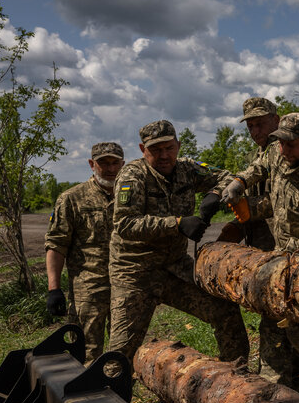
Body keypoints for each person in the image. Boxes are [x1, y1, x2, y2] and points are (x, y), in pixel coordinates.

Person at [220, 111, 299, 388]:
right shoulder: (279, 152)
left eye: (290, 144)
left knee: (297, 326)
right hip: (286, 257)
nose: (283, 150)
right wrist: (240, 182)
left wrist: (274, 258)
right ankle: (279, 384)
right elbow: (261, 166)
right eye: (280, 143)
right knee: (273, 319)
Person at [107, 119, 249, 365]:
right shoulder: (132, 176)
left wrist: (214, 194)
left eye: (169, 148)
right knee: (120, 351)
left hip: (174, 266)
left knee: (224, 310)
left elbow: (229, 176)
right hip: (134, 272)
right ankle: (109, 397)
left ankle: (235, 378)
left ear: (178, 146)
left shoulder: (187, 169)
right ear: (143, 150)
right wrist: (177, 223)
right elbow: (125, 225)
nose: (164, 155)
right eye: (156, 149)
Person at [218, 96, 299, 386]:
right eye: (251, 125)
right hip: (265, 246)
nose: (256, 130)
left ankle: (275, 383)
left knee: (279, 316)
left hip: (290, 246)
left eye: (261, 123)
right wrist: (236, 220)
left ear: (276, 119)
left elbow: (287, 200)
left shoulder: (290, 151)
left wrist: (250, 208)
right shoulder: (261, 156)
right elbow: (248, 186)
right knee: (285, 316)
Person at [44, 142, 125, 361]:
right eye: (103, 163)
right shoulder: (72, 198)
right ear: (92, 164)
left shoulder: (132, 197)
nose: (109, 169)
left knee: (125, 351)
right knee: (87, 351)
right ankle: (87, 393)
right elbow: (56, 244)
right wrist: (54, 289)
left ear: (123, 164)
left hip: (125, 286)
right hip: (88, 290)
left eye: (114, 163)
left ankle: (120, 392)